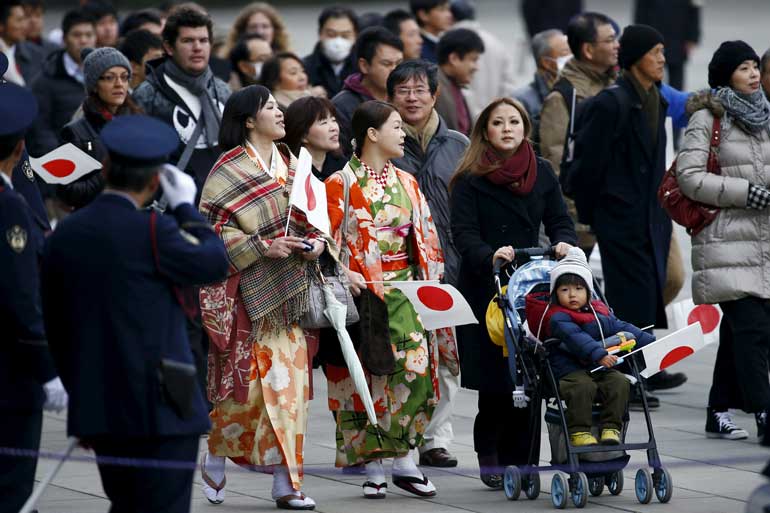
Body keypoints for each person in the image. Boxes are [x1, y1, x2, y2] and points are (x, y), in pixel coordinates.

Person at [41, 114, 228, 513]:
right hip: (161, 405)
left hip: (101, 402)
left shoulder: (65, 234)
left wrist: (77, 388)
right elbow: (214, 261)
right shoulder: (155, 230)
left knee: (125, 503)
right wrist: (186, 210)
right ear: (156, 181)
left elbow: (55, 322)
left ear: (106, 167)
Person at [198, 85, 323, 509]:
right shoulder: (227, 169)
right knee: (245, 394)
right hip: (245, 298)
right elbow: (211, 231)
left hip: (289, 298)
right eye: (269, 107)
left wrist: (318, 243)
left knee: (289, 393)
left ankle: (286, 484)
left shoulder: (293, 164)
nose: (279, 112)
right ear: (249, 120)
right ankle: (217, 453)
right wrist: (260, 246)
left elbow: (315, 219)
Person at [324, 100, 457, 498]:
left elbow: (427, 236)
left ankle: (405, 460)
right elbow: (326, 242)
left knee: (416, 375)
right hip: (364, 293)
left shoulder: (408, 182)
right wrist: (343, 271)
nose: (402, 133)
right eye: (396, 127)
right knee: (367, 378)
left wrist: (432, 283)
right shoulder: (340, 183)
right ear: (371, 134)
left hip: (407, 289)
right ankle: (375, 465)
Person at [450, 97, 575, 487]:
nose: (507, 128)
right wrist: (489, 256)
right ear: (484, 130)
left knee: (531, 374)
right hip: (488, 283)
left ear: (526, 128)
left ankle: (523, 458)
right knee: (496, 378)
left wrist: (565, 245)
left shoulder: (543, 173)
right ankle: (489, 452)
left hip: (531, 281)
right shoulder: (469, 178)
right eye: (498, 122)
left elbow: (560, 220)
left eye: (515, 122)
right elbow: (463, 234)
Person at [568, 25, 675, 401]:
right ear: (635, 58)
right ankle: (628, 378)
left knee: (647, 292)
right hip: (620, 217)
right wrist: (599, 212)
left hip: (649, 216)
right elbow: (584, 168)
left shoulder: (655, 98)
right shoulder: (610, 103)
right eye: (656, 51)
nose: (663, 58)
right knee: (629, 297)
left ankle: (644, 365)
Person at [676, 41, 770, 441]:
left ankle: (717, 410)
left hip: (762, 241)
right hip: (727, 240)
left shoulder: (766, 114)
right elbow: (689, 177)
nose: (752, 73)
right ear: (725, 74)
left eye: (754, 66)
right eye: (743, 67)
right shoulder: (707, 117)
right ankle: (764, 412)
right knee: (752, 329)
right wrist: (746, 192)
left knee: (740, 330)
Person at [387, 60, 466, 468]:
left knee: (447, 357)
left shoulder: (459, 145)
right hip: (398, 269)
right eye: (403, 90)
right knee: (404, 356)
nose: (412, 97)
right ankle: (403, 436)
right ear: (391, 98)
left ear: (435, 95)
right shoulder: (379, 147)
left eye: (420, 90)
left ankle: (435, 439)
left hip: (450, 266)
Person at [0, 81, 67, 513]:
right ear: (21, 146)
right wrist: (48, 371)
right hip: (9, 375)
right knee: (11, 485)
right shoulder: (8, 207)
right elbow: (20, 298)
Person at [530, 248, 655, 446]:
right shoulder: (557, 317)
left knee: (619, 382)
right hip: (569, 370)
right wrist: (599, 354)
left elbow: (621, 326)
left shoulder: (598, 313)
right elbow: (576, 337)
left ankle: (611, 427)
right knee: (582, 386)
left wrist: (651, 343)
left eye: (578, 289)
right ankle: (579, 431)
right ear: (555, 294)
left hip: (599, 367)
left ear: (588, 292)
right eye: (564, 290)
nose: (572, 294)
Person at [538, 12, 618, 258]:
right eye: (610, 40)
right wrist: (580, 223)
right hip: (589, 225)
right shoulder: (563, 97)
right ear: (589, 50)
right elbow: (557, 168)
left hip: (620, 213)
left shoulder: (616, 84)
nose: (617, 45)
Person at [133, 6, 230, 189]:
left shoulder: (223, 90)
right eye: (188, 41)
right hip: (174, 203)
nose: (197, 48)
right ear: (169, 47)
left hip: (223, 200)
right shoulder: (146, 96)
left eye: (203, 40)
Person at [58, 47, 141, 210]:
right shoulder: (75, 131)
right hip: (95, 220)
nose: (119, 84)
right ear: (94, 85)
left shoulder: (138, 123)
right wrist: (108, 173)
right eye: (110, 78)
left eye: (124, 78)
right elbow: (67, 191)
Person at [27, 9, 96, 157]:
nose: (83, 41)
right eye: (77, 35)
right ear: (64, 39)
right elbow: (40, 131)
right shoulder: (45, 80)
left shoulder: (106, 75)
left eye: (89, 35)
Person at [333, 26, 403, 157]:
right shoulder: (342, 106)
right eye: (387, 64)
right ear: (364, 65)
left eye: (399, 63)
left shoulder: (407, 98)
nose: (395, 71)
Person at [450, 0, 516, 119]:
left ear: (451, 17)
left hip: (466, 119)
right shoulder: (495, 42)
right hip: (495, 116)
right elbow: (508, 84)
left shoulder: (449, 43)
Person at [513, 29, 571, 149]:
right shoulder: (522, 100)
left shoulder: (573, 90)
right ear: (546, 62)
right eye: (566, 52)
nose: (571, 58)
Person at [634, 0, 700, 90]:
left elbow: (694, 10)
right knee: (651, 73)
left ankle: (676, 102)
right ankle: (651, 101)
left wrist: (692, 38)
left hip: (678, 36)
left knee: (676, 75)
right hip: (653, 34)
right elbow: (640, 10)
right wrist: (640, 35)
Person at [282, 95, 346, 180]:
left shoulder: (343, 166)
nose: (334, 128)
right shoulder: (288, 171)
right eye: (324, 123)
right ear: (303, 135)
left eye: (333, 120)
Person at [434, 27, 484, 136]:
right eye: (473, 59)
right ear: (454, 59)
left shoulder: (454, 85)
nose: (476, 67)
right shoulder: (432, 87)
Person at [303, 5, 358, 99]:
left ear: (355, 36)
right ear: (320, 33)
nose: (338, 42)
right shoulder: (304, 68)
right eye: (331, 35)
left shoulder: (364, 69)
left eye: (345, 35)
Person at [0, 0, 44, 86]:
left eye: (24, 19)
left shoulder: (36, 54)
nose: (24, 25)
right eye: (19, 20)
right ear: (1, 25)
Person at [225, 2, 290, 56]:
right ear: (242, 31)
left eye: (265, 26)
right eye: (253, 27)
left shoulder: (286, 61)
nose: (259, 32)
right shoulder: (228, 64)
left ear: (275, 31)